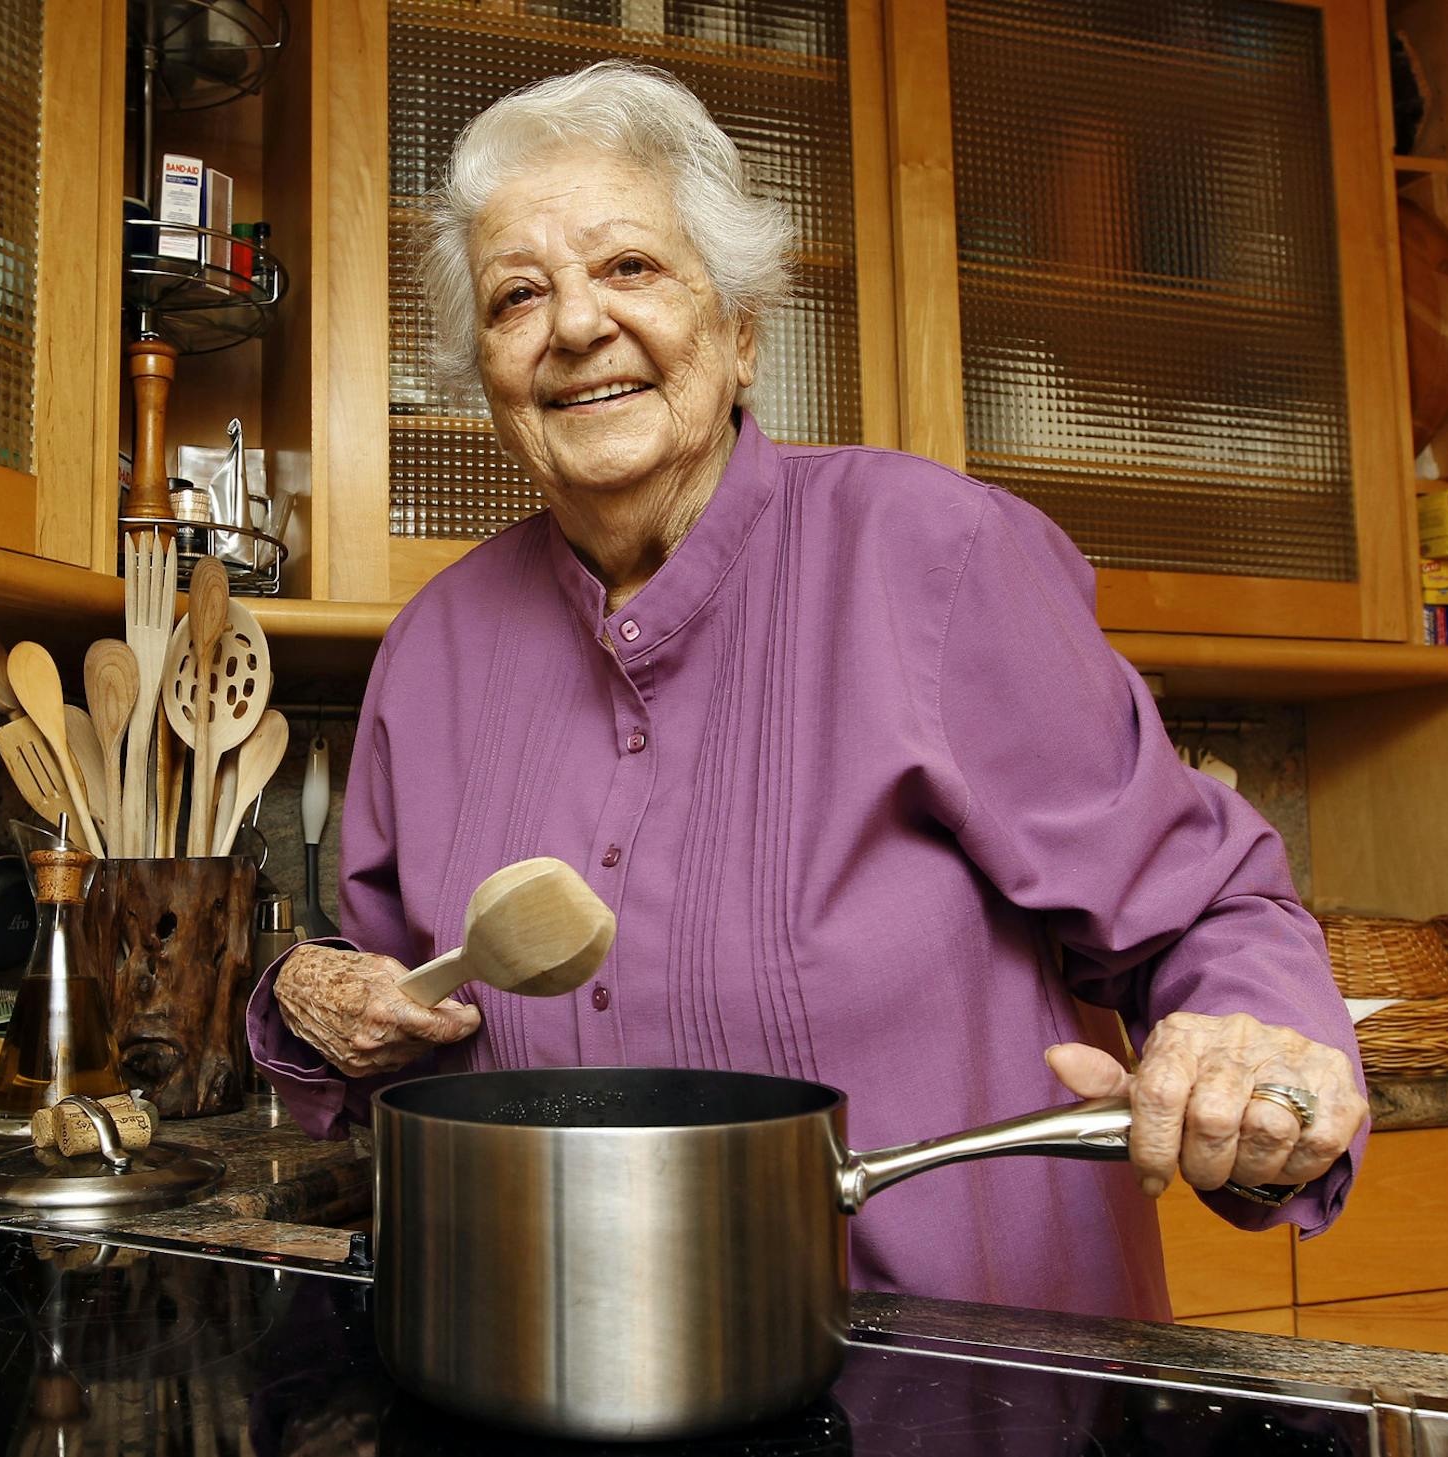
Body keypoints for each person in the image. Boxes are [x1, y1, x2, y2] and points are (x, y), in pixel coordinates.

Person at [245, 60, 1369, 1320]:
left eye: (629, 268)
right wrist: (313, 1000)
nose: (573, 325)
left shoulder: (934, 557)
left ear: (739, 331)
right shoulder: (434, 650)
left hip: (973, 1374)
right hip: (563, 1353)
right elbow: (403, 1000)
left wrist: (1253, 1058)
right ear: (489, 372)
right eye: (518, 295)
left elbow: (1202, 911)